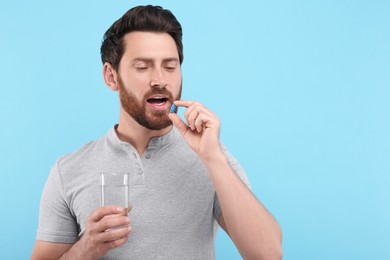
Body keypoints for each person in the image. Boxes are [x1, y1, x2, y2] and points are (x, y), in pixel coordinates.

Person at [31, 5, 282, 260]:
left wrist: (213, 158)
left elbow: (268, 254)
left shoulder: (212, 157)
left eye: (170, 67)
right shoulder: (69, 170)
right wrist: (86, 249)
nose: (160, 80)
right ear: (111, 76)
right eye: (142, 66)